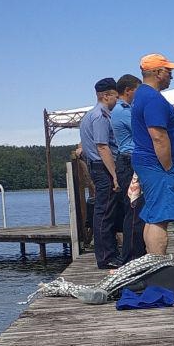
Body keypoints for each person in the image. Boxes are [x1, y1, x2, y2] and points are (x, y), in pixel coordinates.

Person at [130, 53, 174, 256]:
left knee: (154, 215)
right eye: (169, 71)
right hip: (158, 165)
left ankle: (154, 264)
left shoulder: (142, 95)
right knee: (160, 218)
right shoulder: (153, 99)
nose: (171, 76)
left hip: (149, 163)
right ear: (157, 72)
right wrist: (169, 167)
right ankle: (159, 267)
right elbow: (159, 137)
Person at [78, 77, 121, 268]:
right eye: (115, 97)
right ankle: (106, 257)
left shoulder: (89, 115)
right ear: (106, 95)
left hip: (96, 166)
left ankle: (109, 253)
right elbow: (103, 147)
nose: (117, 101)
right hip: (102, 168)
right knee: (105, 212)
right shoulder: (101, 117)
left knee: (104, 211)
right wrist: (114, 174)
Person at [111, 73, 145, 263]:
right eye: (137, 91)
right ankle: (132, 256)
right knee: (134, 209)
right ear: (128, 91)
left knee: (136, 209)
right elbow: (141, 128)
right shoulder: (122, 111)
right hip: (128, 161)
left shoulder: (125, 109)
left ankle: (136, 253)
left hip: (130, 161)